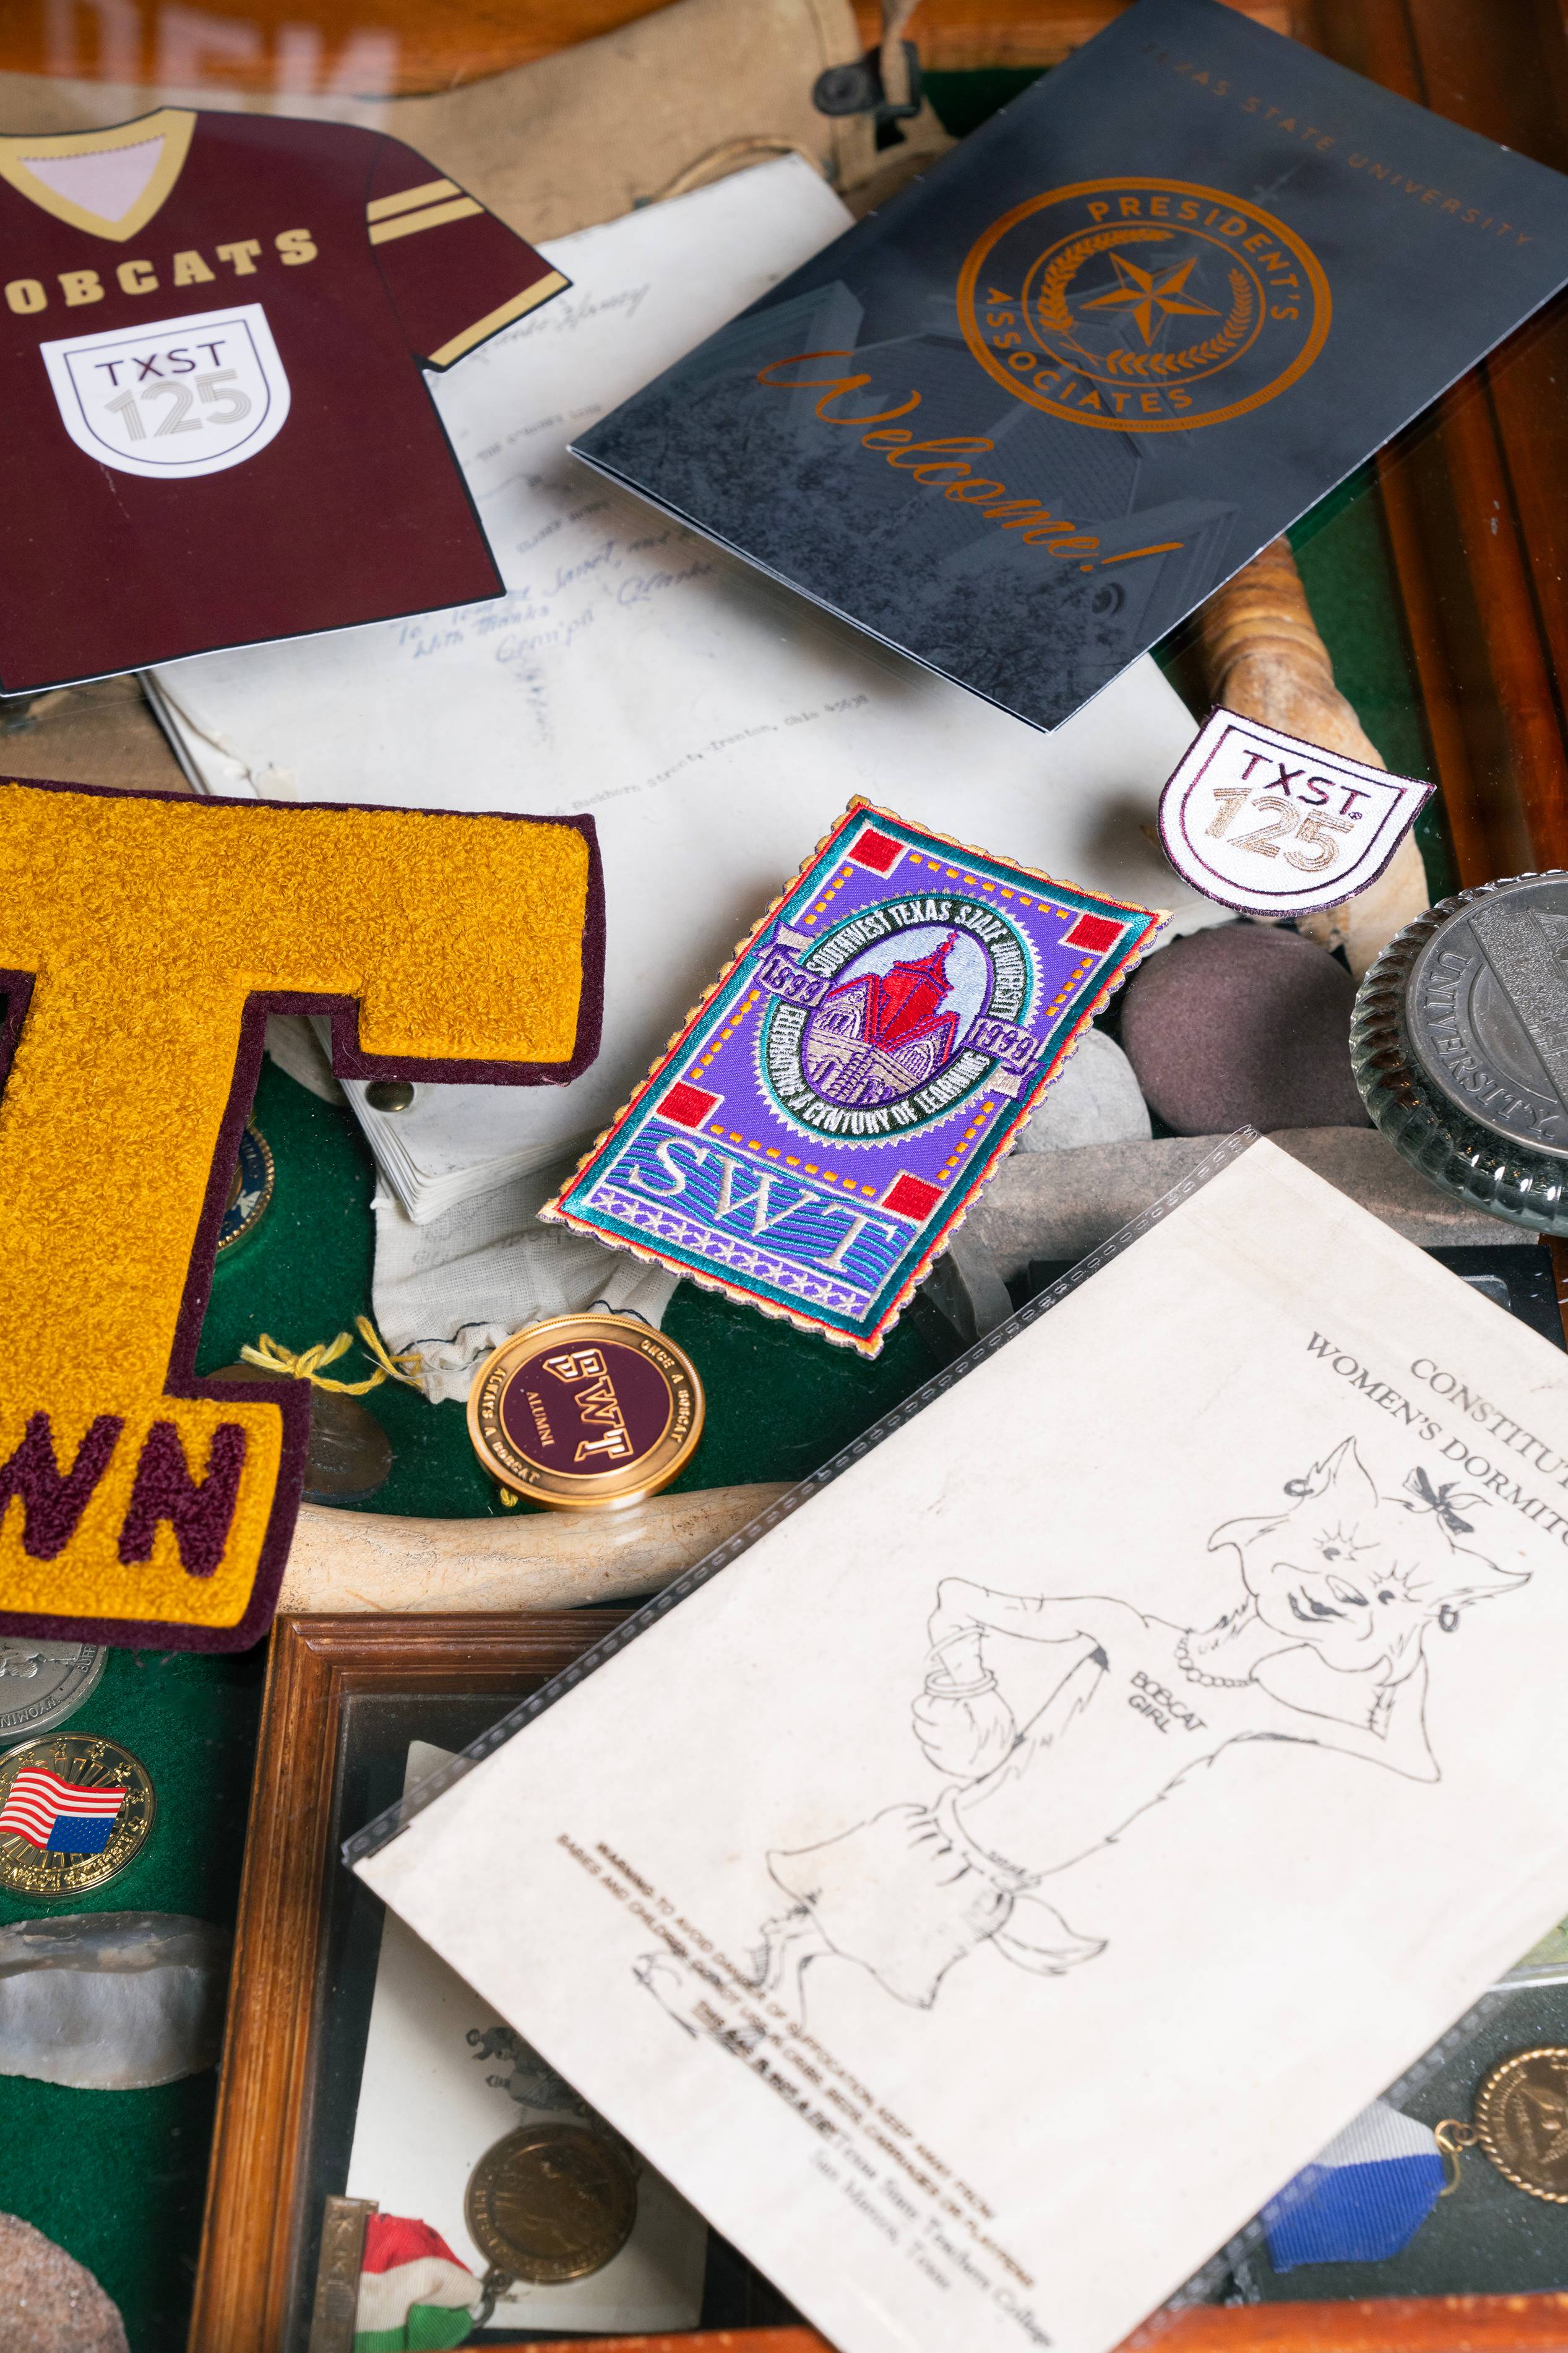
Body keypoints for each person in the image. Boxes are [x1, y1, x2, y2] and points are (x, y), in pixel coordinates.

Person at [751, 1438, 1527, 2016]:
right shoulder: (1123, 1627)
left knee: (850, 1948)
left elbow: (1407, 1755)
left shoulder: (1255, 1707)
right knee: (838, 1925)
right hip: (956, 1832)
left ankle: (767, 1985)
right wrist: (966, 1685)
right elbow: (960, 1597)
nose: (1339, 1589)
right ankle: (763, 1983)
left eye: (1378, 1594)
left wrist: (1409, 1651)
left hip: (1010, 1872)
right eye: (1335, 1555)